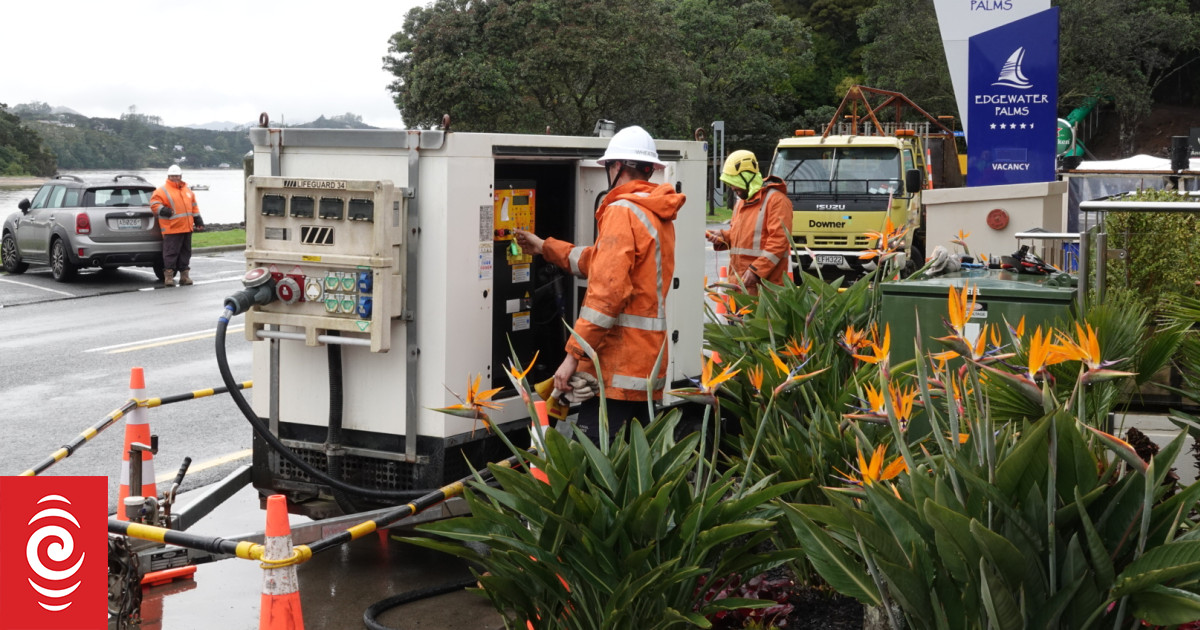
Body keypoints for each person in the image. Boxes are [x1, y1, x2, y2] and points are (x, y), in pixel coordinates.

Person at [514, 126, 685, 442]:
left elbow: (607, 294)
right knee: (632, 469)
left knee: (591, 469)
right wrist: (545, 247)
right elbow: (600, 261)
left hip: (615, 367)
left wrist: (571, 357)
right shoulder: (655, 212)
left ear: (617, 166)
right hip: (644, 366)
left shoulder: (622, 211)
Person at [705, 150, 794, 295]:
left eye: (735, 183)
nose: (733, 188)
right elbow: (742, 236)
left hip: (765, 292)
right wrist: (723, 237)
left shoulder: (777, 201)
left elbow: (779, 241)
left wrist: (756, 271)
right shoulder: (741, 203)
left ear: (747, 177)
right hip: (740, 287)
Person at [149, 164, 204, 287]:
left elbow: (194, 206)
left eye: (177, 176)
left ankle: (184, 277)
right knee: (170, 253)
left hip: (186, 227)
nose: (175, 178)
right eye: (173, 176)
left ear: (181, 176)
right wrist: (163, 210)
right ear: (169, 176)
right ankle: (168, 277)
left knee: (185, 253)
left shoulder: (187, 191)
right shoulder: (162, 190)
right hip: (171, 228)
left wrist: (198, 220)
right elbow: (154, 204)